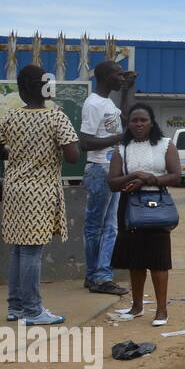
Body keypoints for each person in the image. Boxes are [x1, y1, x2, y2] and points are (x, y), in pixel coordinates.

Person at [1, 64, 80, 324]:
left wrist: (17, 154)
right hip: (40, 192)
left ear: (22, 90)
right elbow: (73, 156)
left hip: (13, 189)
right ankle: (34, 311)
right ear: (46, 87)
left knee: (18, 250)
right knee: (32, 252)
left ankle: (16, 307)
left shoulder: (9, 117)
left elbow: (2, 150)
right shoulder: (56, 117)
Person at [107, 103, 180, 325]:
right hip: (130, 208)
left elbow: (176, 176)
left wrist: (151, 179)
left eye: (143, 120)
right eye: (134, 121)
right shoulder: (122, 148)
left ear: (152, 122)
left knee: (158, 260)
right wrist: (136, 175)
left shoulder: (166, 145)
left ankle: (161, 310)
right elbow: (112, 182)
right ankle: (136, 306)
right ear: (127, 124)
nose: (138, 124)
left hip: (157, 205)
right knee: (135, 260)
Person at [80, 59, 135, 296]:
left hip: (111, 170)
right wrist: (116, 140)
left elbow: (124, 122)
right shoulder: (93, 104)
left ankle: (97, 275)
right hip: (99, 169)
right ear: (105, 78)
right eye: (118, 75)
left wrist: (127, 90)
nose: (122, 78)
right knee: (97, 227)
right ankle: (99, 277)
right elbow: (84, 142)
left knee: (109, 226)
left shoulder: (108, 103)